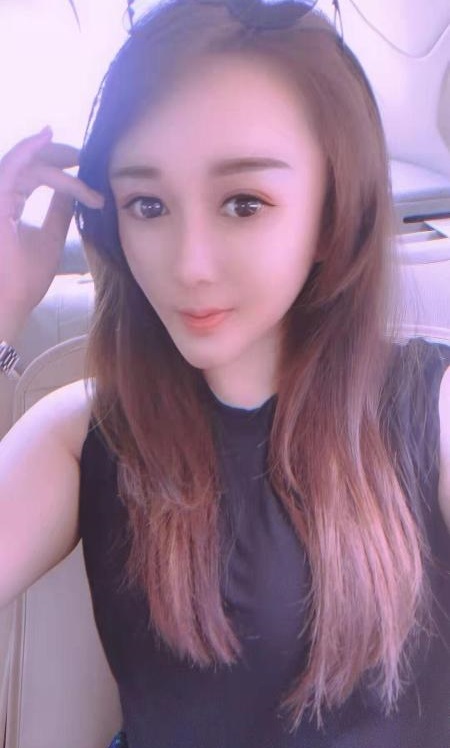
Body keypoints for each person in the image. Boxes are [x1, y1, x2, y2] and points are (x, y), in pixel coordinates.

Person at [0, 1, 449, 746]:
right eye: (148, 205)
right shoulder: (85, 436)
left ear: (332, 211)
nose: (189, 265)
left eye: (244, 203)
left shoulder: (429, 413)